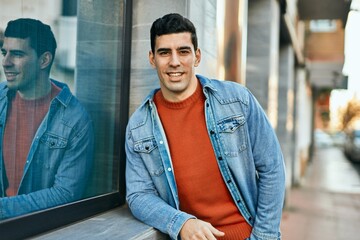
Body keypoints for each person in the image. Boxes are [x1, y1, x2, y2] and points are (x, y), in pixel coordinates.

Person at [125, 13, 286, 240]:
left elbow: (272, 168)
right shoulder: (138, 127)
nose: (174, 61)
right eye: (164, 53)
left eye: (183, 51)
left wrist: (265, 236)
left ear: (197, 56)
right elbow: (138, 195)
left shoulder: (237, 100)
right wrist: (181, 223)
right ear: (152, 59)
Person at [0, 18, 94, 220]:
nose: (6, 62)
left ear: (44, 60)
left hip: (38, 229)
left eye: (17, 54)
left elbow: (65, 194)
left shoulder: (75, 120)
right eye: (4, 52)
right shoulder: (1, 99)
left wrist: (3, 209)